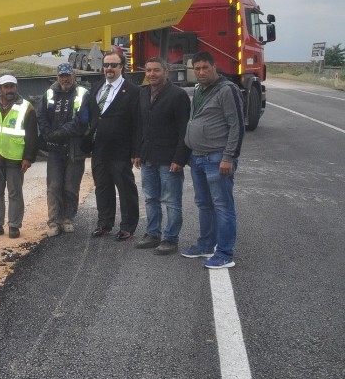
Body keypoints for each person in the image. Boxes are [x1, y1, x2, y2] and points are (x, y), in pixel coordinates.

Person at [181, 51, 245, 269]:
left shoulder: (227, 90)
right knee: (204, 204)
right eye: (196, 68)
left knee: (222, 206)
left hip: (217, 158)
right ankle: (206, 244)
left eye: (204, 67)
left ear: (214, 66)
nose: (200, 72)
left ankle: (225, 254)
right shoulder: (199, 90)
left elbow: (236, 125)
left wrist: (229, 157)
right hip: (197, 157)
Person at [134, 56, 191, 255]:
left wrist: (179, 158)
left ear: (166, 72)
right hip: (148, 157)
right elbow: (139, 126)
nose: (151, 74)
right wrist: (137, 152)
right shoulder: (143, 94)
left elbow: (184, 130)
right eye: (148, 70)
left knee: (172, 201)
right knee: (150, 198)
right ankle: (152, 234)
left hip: (169, 159)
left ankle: (170, 239)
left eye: (156, 70)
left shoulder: (178, 95)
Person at [88, 51, 142, 241]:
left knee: (125, 188)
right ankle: (104, 224)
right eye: (106, 65)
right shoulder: (96, 88)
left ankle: (128, 226)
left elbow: (137, 123)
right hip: (99, 148)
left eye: (113, 65)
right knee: (102, 187)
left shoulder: (133, 91)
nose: (109, 69)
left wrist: (136, 151)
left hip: (121, 149)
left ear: (122, 67)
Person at [0, 74, 39, 238]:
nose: (9, 90)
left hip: (15, 158)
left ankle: (14, 226)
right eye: (6, 87)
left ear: (16, 88)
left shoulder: (27, 108)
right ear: (0, 89)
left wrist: (28, 158)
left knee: (14, 193)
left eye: (12, 86)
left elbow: (32, 135)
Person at [36, 62, 91, 238]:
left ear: (73, 76)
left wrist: (59, 133)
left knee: (70, 186)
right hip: (55, 149)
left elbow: (82, 120)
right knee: (53, 186)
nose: (65, 79)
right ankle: (53, 222)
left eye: (67, 75)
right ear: (57, 77)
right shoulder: (49, 94)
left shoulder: (83, 94)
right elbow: (41, 116)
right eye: (61, 76)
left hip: (75, 148)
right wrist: (47, 133)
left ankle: (67, 219)